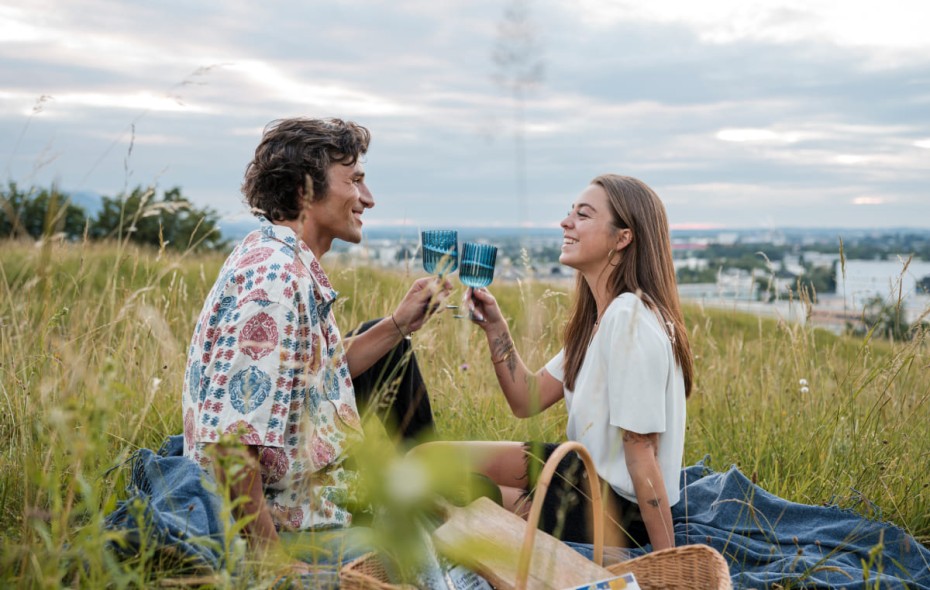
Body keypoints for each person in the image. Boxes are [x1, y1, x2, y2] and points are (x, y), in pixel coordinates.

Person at [180, 117, 451, 572]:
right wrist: (278, 568)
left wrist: (398, 325)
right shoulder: (273, 282)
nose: (368, 199)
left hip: (319, 507)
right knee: (432, 556)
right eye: (355, 180)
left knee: (443, 529)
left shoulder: (280, 259)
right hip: (292, 530)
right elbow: (230, 445)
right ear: (306, 191)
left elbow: (316, 380)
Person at [415, 174, 692, 551]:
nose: (566, 222)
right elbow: (526, 399)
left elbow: (642, 454)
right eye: (569, 213)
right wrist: (496, 328)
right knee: (425, 462)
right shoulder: (601, 318)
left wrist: (666, 562)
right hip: (579, 474)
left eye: (583, 215)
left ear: (623, 237)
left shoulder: (629, 321)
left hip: (610, 511)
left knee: (449, 496)